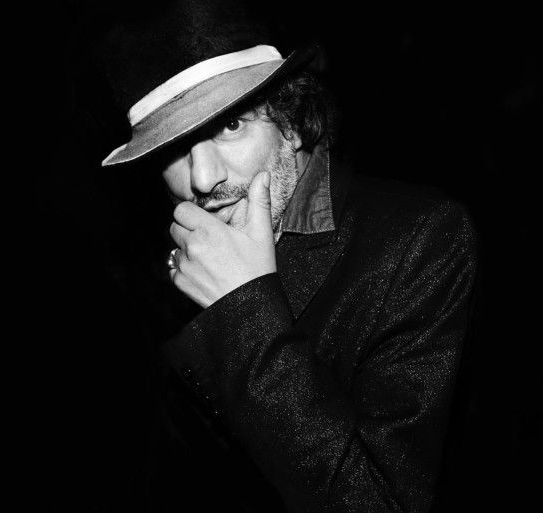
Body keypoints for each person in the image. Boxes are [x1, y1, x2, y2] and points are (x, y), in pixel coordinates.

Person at [97, 1, 477, 511]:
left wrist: (243, 306)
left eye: (231, 125)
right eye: (173, 150)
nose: (203, 179)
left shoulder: (419, 240)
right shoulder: (164, 267)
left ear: (292, 124)